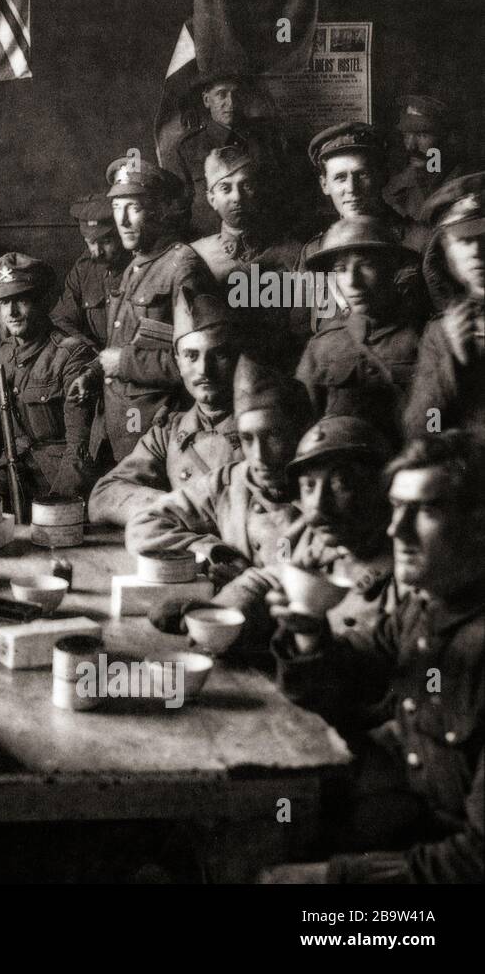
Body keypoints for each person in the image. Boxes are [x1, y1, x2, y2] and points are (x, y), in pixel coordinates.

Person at [259, 430, 484, 884]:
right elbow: (350, 675)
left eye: (426, 510)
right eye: (397, 508)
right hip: (410, 826)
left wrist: (332, 877)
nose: (395, 530)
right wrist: (308, 635)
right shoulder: (426, 607)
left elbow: (476, 860)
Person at [158, 416, 399, 654]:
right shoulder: (325, 548)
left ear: (381, 487)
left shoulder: (406, 572)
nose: (318, 505)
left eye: (341, 484)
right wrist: (222, 612)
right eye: (309, 486)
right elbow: (267, 580)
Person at [126, 357, 312, 589]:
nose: (259, 455)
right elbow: (144, 525)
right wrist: (215, 553)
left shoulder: (323, 493)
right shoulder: (229, 482)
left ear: (301, 433)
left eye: (273, 436)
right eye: (247, 438)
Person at [76, 157, 216, 461]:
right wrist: (93, 371)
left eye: (134, 208)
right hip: (121, 432)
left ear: (160, 211)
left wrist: (123, 363)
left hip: (159, 435)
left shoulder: (182, 268)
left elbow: (202, 364)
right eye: (117, 208)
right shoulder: (135, 267)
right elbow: (125, 344)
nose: (122, 220)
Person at [88, 293, 241, 526]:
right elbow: (103, 497)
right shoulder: (169, 431)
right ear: (178, 362)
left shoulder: (265, 425)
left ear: (237, 359)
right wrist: (182, 507)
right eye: (191, 356)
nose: (204, 370)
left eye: (218, 354)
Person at [0, 252, 96, 514]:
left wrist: (59, 505)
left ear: (41, 301)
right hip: (16, 463)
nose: (10, 312)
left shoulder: (70, 354)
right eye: (3, 302)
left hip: (58, 474)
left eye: (20, 300)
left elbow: (79, 447)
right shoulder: (5, 352)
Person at [295, 217, 423, 444]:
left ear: (391, 267)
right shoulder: (322, 346)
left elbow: (441, 414)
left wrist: (433, 442)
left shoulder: (424, 337)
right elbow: (303, 425)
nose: (353, 282)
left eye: (366, 265)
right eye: (341, 270)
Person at [189, 147, 306, 369]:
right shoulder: (194, 257)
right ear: (211, 198)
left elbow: (308, 333)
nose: (237, 197)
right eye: (225, 188)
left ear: (260, 191)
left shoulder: (295, 254)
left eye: (247, 186)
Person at [405, 172, 485, 436]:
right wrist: (453, 361)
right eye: (463, 241)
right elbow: (423, 431)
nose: (476, 251)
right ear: (447, 255)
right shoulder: (441, 335)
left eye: (484, 239)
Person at [174, 70, 293, 236]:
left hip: (267, 243)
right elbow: (180, 211)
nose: (230, 102)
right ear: (207, 100)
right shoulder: (189, 148)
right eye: (221, 94)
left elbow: (287, 196)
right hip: (212, 248)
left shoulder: (267, 137)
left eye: (236, 94)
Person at [300, 122, 428, 267]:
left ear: (382, 176)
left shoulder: (421, 242)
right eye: (340, 178)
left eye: (362, 174)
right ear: (325, 185)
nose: (351, 188)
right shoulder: (314, 251)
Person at [52, 194, 129, 354]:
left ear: (121, 235)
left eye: (106, 242)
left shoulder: (138, 266)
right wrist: (88, 349)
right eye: (91, 242)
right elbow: (61, 318)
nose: (97, 252)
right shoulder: (84, 268)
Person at [383, 95, 462, 223]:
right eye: (406, 135)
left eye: (422, 135)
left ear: (448, 138)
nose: (411, 146)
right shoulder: (393, 192)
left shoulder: (470, 186)